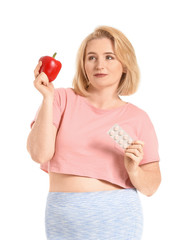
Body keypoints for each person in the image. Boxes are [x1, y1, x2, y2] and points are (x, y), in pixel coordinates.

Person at [27, 25, 161, 240]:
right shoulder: (60, 99)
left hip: (119, 217)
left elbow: (151, 186)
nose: (99, 65)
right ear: (83, 64)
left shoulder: (138, 117)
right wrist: (47, 98)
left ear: (124, 65)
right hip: (64, 217)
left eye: (109, 57)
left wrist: (134, 170)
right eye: (91, 57)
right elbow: (39, 154)